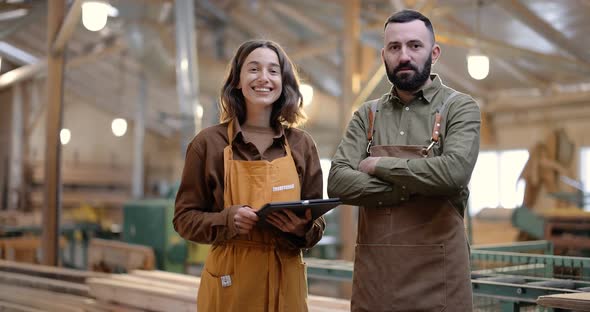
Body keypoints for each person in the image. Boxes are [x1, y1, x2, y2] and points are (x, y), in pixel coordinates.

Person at [328, 9, 480, 312]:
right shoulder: (366, 115)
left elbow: (454, 174)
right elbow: (338, 182)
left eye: (415, 45)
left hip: (440, 282)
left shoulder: (459, 108)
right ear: (384, 54)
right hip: (376, 281)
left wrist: (379, 166)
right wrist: (418, 186)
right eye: (395, 48)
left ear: (434, 52)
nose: (404, 55)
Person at [173, 40, 325, 312]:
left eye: (273, 71)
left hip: (285, 283)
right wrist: (227, 219)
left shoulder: (302, 145)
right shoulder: (208, 144)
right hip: (231, 284)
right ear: (238, 81)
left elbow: (316, 222)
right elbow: (184, 219)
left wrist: (300, 229)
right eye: (254, 69)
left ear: (283, 82)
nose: (264, 78)